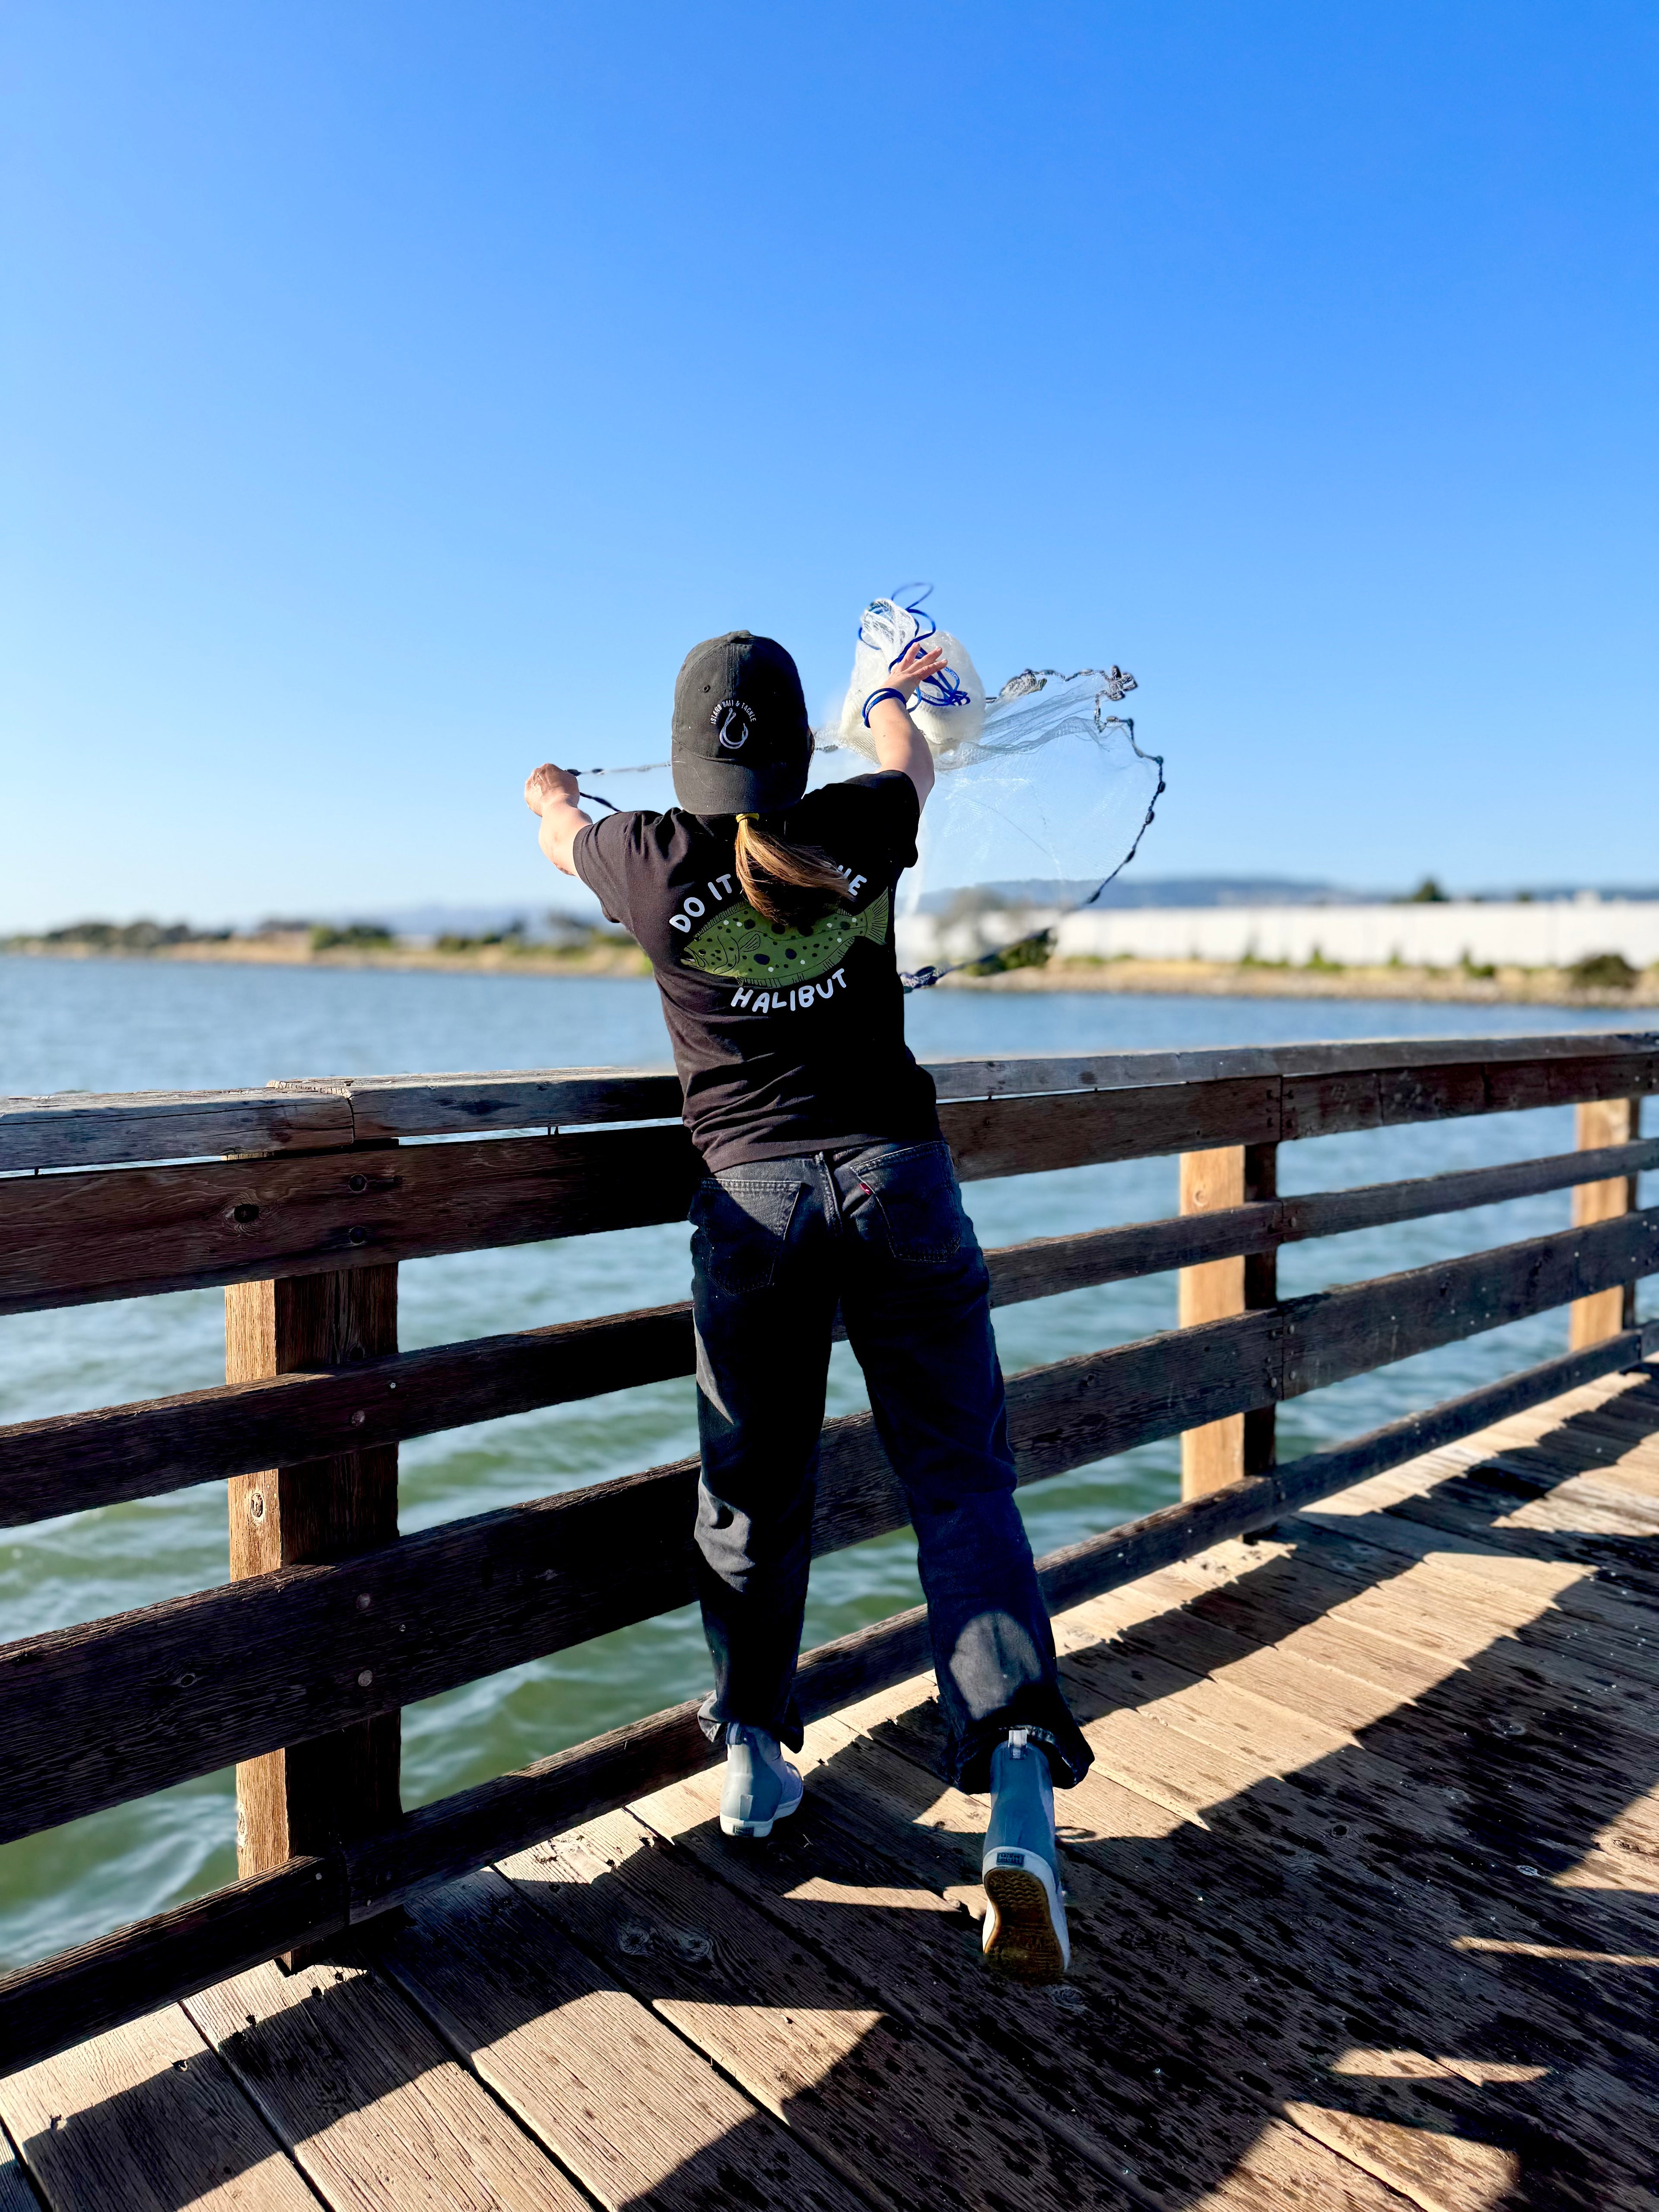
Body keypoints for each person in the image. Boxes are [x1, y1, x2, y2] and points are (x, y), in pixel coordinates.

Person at [524, 629, 1091, 1981]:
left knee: (752, 1488)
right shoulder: (864, 819)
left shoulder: (646, 860)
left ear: (684, 757)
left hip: (753, 1208)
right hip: (900, 1181)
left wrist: (551, 790)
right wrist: (892, 696)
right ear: (798, 742)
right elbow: (905, 751)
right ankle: (1015, 1794)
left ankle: (760, 1762)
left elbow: (557, 827)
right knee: (961, 1485)